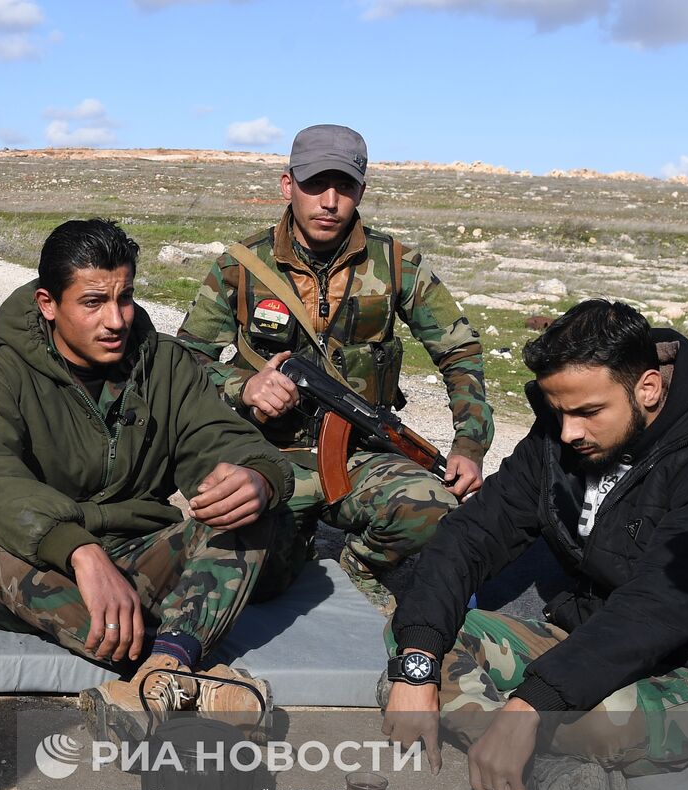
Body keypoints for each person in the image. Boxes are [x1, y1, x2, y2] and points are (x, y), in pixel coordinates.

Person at [381, 299, 688, 790]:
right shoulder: (559, 440)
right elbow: (469, 538)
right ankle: (546, 772)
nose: (567, 433)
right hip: (588, 641)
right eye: (558, 412)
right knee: (420, 635)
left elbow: (661, 607)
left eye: (587, 412)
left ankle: (510, 743)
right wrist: (417, 668)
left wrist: (532, 704)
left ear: (648, 388)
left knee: (591, 722)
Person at [0, 219, 295, 740]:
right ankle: (188, 667)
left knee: (249, 512)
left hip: (139, 554)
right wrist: (79, 552)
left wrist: (257, 476)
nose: (115, 320)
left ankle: (162, 672)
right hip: (43, 559)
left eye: (125, 298)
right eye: (92, 303)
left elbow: (219, 439)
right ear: (48, 304)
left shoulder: (166, 365)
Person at [176, 124, 493, 597]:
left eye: (344, 186)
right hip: (263, 456)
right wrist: (243, 387)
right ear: (288, 185)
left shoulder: (396, 263)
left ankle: (357, 564)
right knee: (250, 576)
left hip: (362, 455)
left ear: (361, 190)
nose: (329, 201)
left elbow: (459, 350)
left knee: (435, 508)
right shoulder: (240, 266)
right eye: (314, 184)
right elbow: (185, 363)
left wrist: (470, 444)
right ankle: (291, 540)